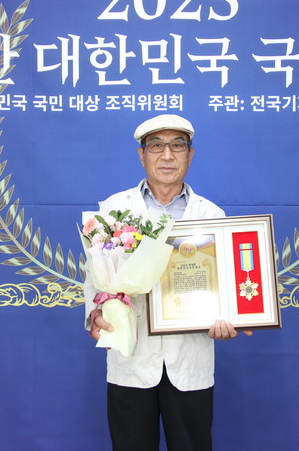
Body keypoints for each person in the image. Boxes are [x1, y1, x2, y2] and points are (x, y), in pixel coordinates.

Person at [84, 114, 251, 451]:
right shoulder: (114, 209)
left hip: (190, 360)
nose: (167, 155)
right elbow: (94, 277)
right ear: (141, 155)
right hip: (131, 354)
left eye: (177, 145)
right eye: (156, 146)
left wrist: (233, 316)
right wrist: (95, 314)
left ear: (190, 154)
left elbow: (226, 284)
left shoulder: (211, 216)